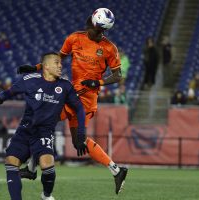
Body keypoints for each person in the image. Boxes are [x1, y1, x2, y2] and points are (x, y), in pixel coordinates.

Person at [18, 9, 128, 195]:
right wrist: (36, 67)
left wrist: (98, 81)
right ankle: (117, 170)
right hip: (72, 93)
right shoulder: (75, 38)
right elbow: (58, 59)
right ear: (92, 23)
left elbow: (118, 75)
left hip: (87, 98)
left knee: (78, 140)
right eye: (97, 29)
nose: (99, 33)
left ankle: (117, 170)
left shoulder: (110, 48)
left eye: (102, 31)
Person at [0, 52, 88, 200]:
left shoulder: (65, 86)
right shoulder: (29, 80)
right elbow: (11, 91)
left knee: (47, 166)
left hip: (44, 132)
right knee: (11, 162)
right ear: (46, 66)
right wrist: (1, 98)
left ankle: (46, 195)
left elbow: (79, 109)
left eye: (60, 63)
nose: (61, 66)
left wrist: (81, 133)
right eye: (57, 63)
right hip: (25, 129)